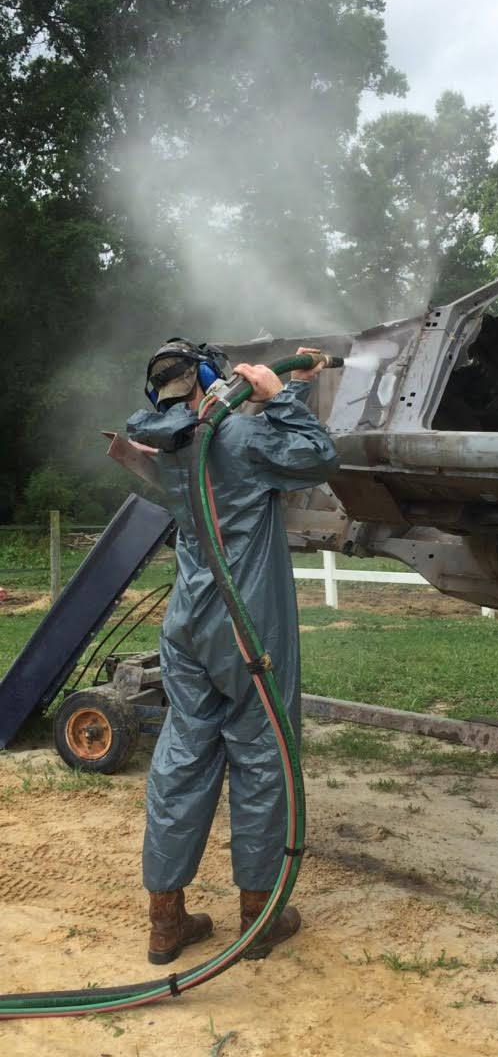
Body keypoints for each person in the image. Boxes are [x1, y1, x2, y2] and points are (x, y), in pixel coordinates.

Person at [126, 341, 340, 964]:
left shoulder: (163, 447)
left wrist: (290, 385)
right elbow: (314, 456)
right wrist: (279, 398)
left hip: (187, 621)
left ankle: (165, 922)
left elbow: (243, 443)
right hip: (249, 622)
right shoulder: (241, 440)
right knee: (262, 755)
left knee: (182, 757)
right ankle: (259, 917)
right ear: (212, 381)